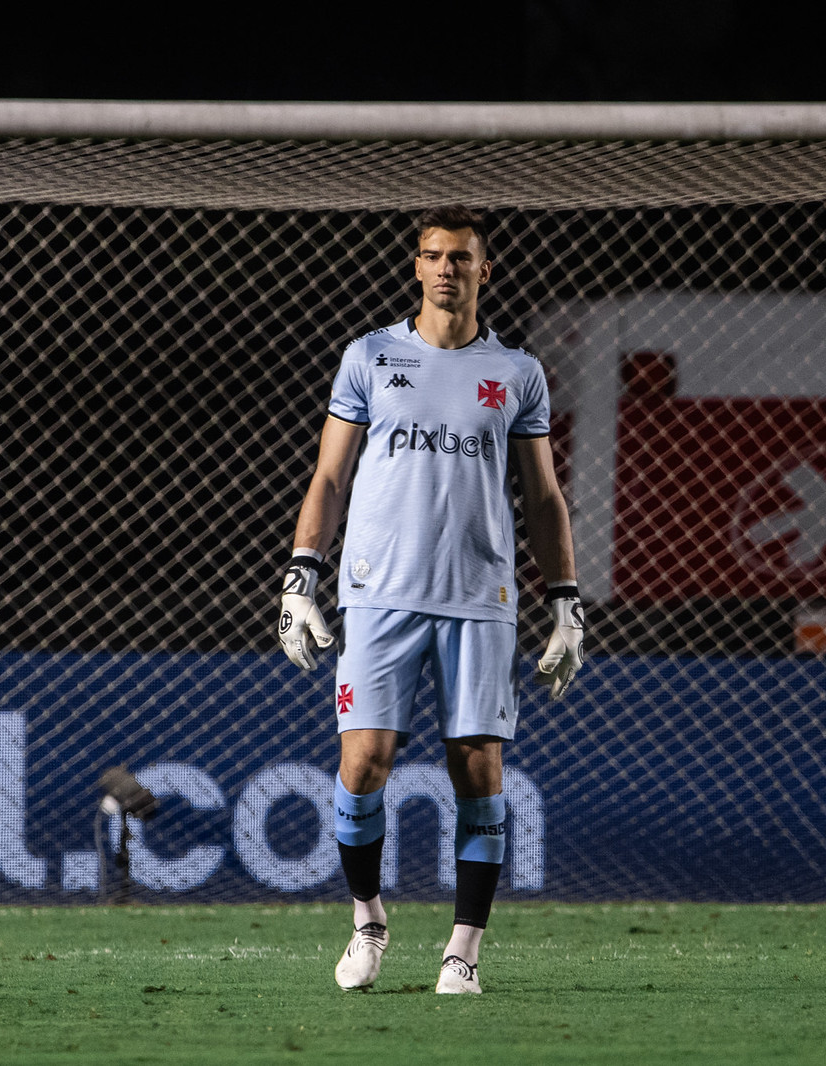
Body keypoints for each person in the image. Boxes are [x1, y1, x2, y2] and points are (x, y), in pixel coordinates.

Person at [278, 205, 585, 995]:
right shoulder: (369, 358)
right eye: (431, 254)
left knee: (477, 771)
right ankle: (368, 922)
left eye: (461, 256)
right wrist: (299, 576)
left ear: (486, 270)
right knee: (363, 763)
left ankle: (462, 953)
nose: (445, 267)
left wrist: (565, 602)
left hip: (479, 599)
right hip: (378, 596)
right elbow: (329, 477)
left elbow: (544, 497)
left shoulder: (517, 373)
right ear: (415, 266)